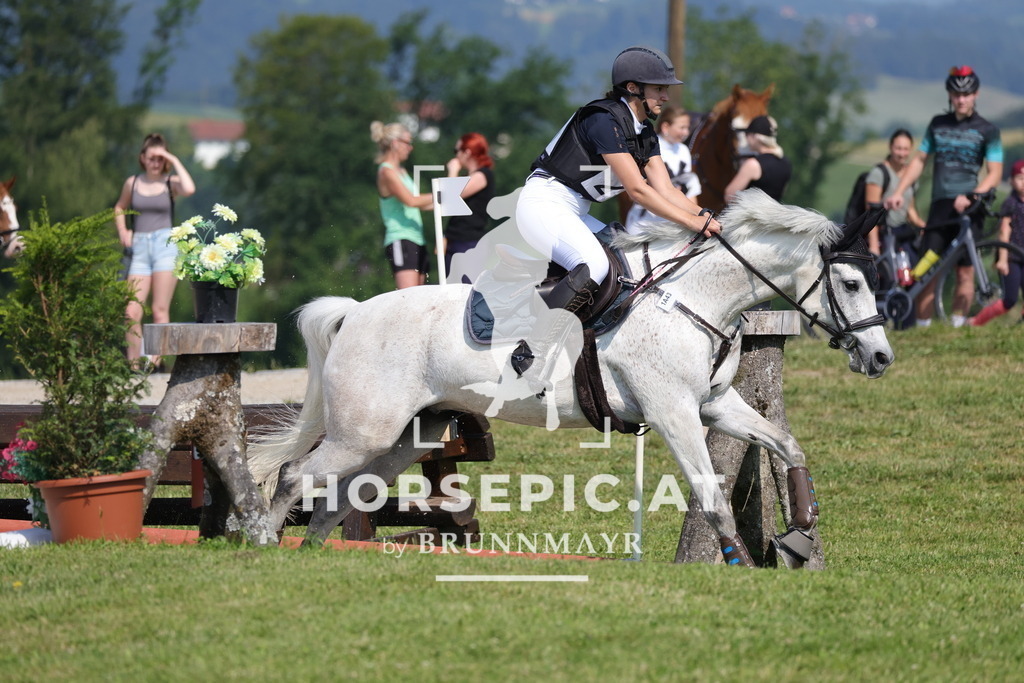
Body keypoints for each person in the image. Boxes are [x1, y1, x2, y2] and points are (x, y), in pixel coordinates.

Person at [517, 45, 720, 310]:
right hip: (544, 205)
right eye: (659, 88)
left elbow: (667, 189)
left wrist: (704, 215)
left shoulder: (644, 131)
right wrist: (693, 223)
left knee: (628, 262)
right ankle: (532, 344)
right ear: (633, 88)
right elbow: (637, 191)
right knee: (595, 266)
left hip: (573, 210)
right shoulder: (603, 121)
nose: (666, 97)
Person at [886, 65, 1003, 328]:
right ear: (950, 95)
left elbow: (994, 173)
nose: (961, 100)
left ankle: (959, 325)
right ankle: (923, 327)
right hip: (941, 206)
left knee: (965, 270)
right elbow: (919, 161)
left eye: (967, 94)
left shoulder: (988, 130)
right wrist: (898, 191)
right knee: (929, 269)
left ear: (976, 95)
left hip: (971, 207)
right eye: (956, 94)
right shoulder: (938, 125)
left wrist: (973, 196)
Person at [114, 133, 196, 365]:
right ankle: (134, 364)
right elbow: (120, 206)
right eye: (152, 158)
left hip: (165, 247)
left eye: (160, 159)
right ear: (142, 158)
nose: (156, 163)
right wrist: (123, 230)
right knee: (130, 312)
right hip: (139, 247)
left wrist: (173, 158)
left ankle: (156, 362)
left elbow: (189, 188)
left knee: (159, 309)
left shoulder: (170, 183)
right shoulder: (133, 183)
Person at [371, 121, 434, 289]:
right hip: (401, 239)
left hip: (417, 239)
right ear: (395, 143)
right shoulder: (386, 172)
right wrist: (442, 193)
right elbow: (411, 201)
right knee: (408, 298)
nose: (410, 147)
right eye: (407, 142)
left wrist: (453, 200)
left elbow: (420, 203)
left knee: (421, 299)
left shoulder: (402, 172)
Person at [624, 105, 701, 234]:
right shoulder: (649, 147)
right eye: (682, 127)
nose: (686, 133)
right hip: (645, 221)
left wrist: (696, 216)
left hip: (673, 221)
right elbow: (635, 190)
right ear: (665, 127)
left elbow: (690, 188)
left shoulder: (683, 150)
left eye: (688, 128)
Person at [970, 159, 1024, 326]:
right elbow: (1004, 231)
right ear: (1012, 180)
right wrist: (1002, 259)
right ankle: (976, 322)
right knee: (1010, 299)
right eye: (1020, 178)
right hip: (1011, 258)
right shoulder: (1011, 203)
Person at [444, 132, 496, 280]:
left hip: (469, 242)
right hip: (457, 240)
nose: (455, 156)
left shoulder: (483, 175)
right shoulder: (470, 178)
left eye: (456, 151)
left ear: (467, 152)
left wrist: (453, 170)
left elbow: (450, 198)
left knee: (465, 288)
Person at [724, 115, 791, 204]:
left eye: (747, 134)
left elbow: (729, 196)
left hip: (751, 216)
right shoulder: (786, 164)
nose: (746, 138)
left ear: (755, 137)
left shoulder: (753, 164)